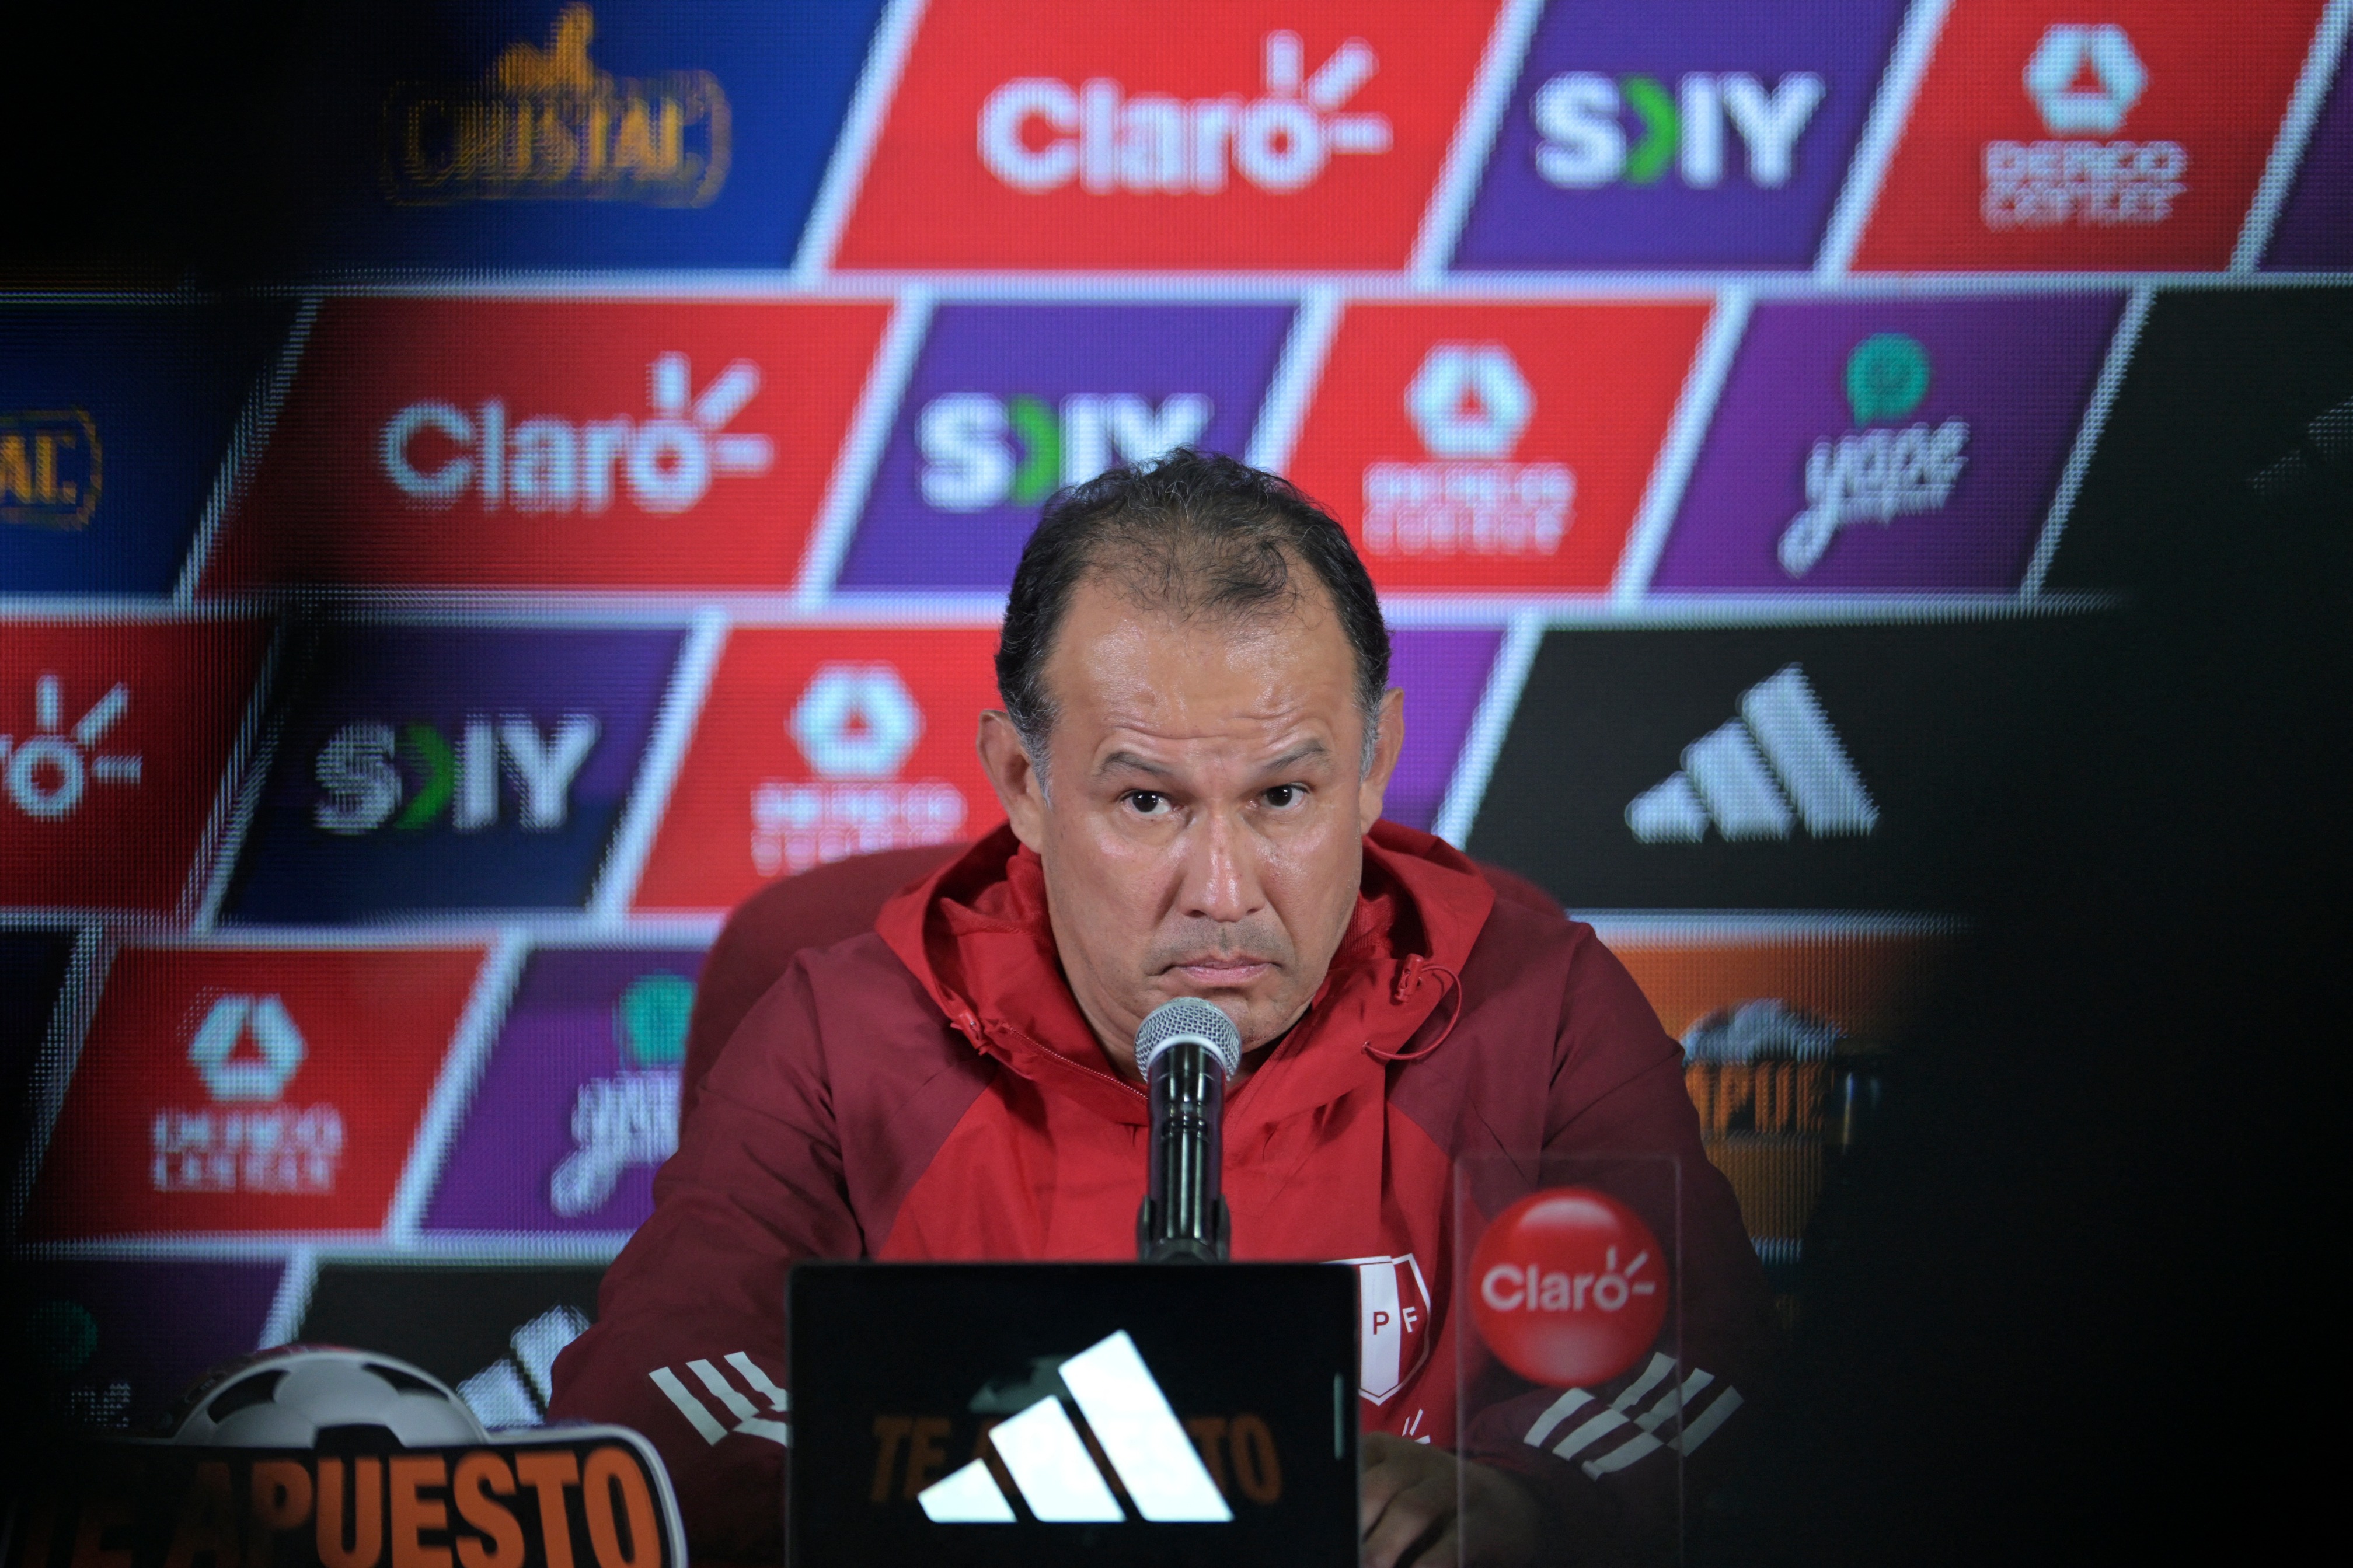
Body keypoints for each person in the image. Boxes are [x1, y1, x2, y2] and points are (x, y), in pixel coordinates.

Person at [548, 451, 1775, 1564]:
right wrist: (970, 1494)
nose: (1223, 893)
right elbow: (655, 1402)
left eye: (1284, 796)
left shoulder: (1540, 1007)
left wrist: (1523, 1502)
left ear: (1373, 764)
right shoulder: (843, 1035)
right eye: (1148, 803)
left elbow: (1691, 1356)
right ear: (1023, 783)